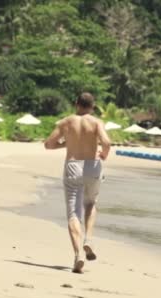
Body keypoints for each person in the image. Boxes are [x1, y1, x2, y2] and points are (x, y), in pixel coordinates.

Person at [44, 92, 111, 274]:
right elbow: (107, 142)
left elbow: (49, 144)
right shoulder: (97, 122)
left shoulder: (66, 122)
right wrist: (104, 154)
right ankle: (88, 240)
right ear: (93, 106)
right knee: (90, 204)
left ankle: (78, 255)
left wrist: (66, 144)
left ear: (76, 104)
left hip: (73, 165)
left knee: (73, 213)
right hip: (93, 166)